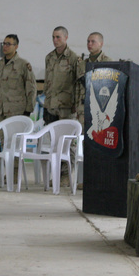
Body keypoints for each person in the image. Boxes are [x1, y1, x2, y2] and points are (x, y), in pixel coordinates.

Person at [0, 34, 37, 183]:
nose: (5, 46)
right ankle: (9, 172)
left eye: (9, 44)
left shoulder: (23, 65)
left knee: (15, 143)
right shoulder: (0, 64)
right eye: (4, 44)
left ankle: (15, 174)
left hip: (17, 110)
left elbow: (31, 88)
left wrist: (28, 111)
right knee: (4, 141)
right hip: (1, 109)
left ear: (16, 46)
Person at [44, 26, 81, 185]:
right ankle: (57, 173)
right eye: (53, 37)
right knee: (54, 141)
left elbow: (78, 83)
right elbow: (48, 82)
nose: (55, 40)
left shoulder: (74, 58)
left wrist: (76, 104)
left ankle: (67, 174)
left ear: (66, 37)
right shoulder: (49, 57)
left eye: (58, 37)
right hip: (52, 105)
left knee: (67, 142)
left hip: (67, 106)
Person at [75, 32, 113, 127]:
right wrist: (76, 105)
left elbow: (110, 87)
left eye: (93, 41)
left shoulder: (108, 62)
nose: (89, 44)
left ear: (101, 44)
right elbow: (78, 86)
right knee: (81, 137)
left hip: (100, 108)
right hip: (83, 107)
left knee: (98, 135)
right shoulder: (82, 64)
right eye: (88, 41)